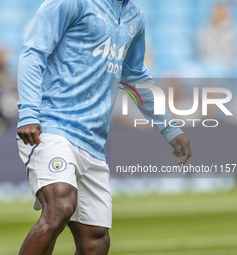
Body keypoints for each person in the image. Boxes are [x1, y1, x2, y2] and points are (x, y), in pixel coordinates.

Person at [16, 0, 191, 254]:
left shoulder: (134, 17)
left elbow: (135, 76)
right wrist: (29, 111)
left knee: (96, 241)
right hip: (52, 124)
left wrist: (170, 127)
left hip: (93, 142)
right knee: (60, 205)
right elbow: (34, 53)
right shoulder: (71, 3)